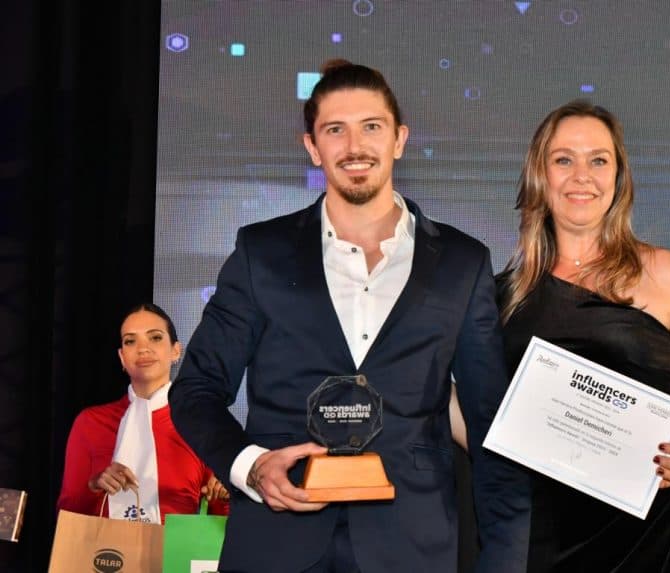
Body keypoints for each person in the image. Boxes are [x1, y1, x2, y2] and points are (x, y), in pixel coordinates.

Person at [168, 60, 530, 573]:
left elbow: (490, 425)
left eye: (372, 127)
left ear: (399, 139)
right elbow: (195, 389)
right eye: (335, 129)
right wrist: (251, 466)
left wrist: (505, 561)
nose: (355, 146)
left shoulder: (462, 262)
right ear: (313, 146)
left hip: (411, 547)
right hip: (275, 541)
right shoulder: (261, 252)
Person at [496, 100, 670, 572]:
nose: (581, 176)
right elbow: (481, 421)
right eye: (563, 159)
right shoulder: (500, 294)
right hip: (541, 536)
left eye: (598, 160)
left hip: (653, 534)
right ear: (540, 175)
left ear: (618, 176)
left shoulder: (667, 274)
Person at [57, 303, 229, 524]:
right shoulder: (91, 422)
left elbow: (220, 517)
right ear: (122, 357)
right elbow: (67, 515)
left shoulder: (200, 423)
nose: (143, 349)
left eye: (155, 338)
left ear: (176, 351)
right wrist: (95, 486)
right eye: (130, 341)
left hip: (177, 546)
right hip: (105, 546)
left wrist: (224, 496)